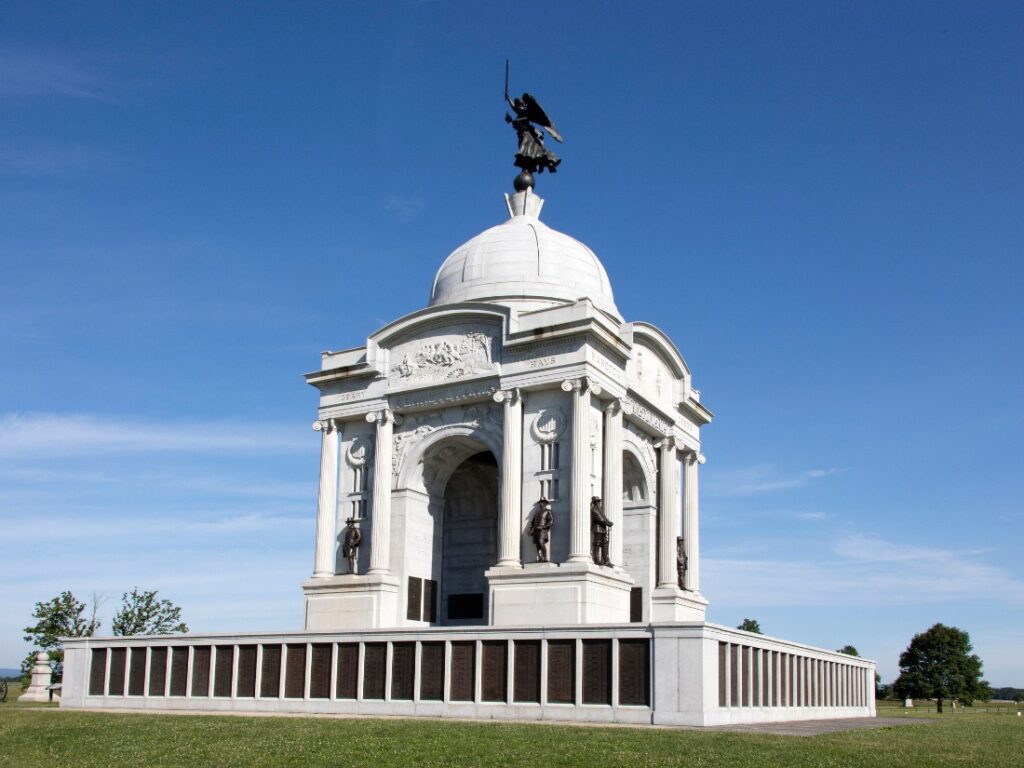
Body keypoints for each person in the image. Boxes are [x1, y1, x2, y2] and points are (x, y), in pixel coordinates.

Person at [527, 497, 554, 562]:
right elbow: (533, 522)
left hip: (543, 530)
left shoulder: (548, 511)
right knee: (537, 544)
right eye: (540, 503)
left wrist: (543, 527)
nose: (540, 504)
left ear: (545, 503)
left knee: (541, 542)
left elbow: (551, 521)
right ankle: (540, 558)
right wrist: (530, 528)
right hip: (536, 531)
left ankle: (544, 557)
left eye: (542, 502)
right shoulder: (536, 512)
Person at [590, 496, 613, 566]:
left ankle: (606, 560)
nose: (599, 503)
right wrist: (608, 523)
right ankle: (597, 560)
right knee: (597, 544)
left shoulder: (599, 510)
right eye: (598, 502)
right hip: (597, 529)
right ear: (595, 503)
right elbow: (601, 519)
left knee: (605, 544)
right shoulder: (594, 510)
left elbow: (604, 518)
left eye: (599, 501)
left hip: (603, 529)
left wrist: (608, 522)